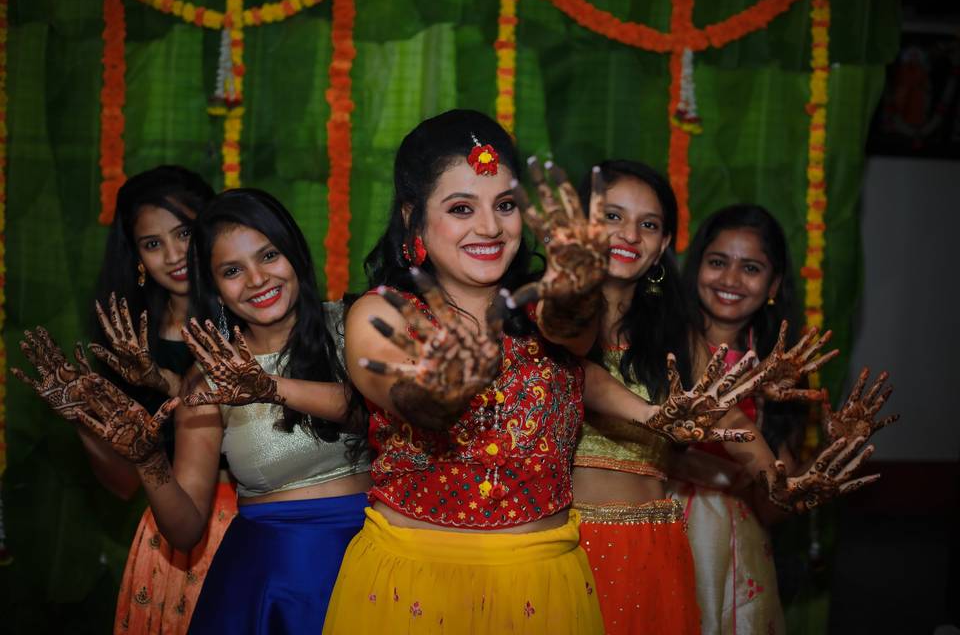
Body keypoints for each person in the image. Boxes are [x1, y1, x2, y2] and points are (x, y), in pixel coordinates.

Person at [321, 109, 765, 635]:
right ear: (413, 217)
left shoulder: (539, 308)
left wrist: (580, 296)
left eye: (505, 205)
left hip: (544, 583)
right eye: (461, 207)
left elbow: (572, 345)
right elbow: (402, 393)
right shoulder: (382, 313)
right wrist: (442, 392)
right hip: (417, 584)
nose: (490, 227)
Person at [73, 188, 372, 634]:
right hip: (271, 575)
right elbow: (186, 530)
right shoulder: (208, 378)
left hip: (371, 558)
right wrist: (148, 460)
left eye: (269, 256)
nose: (256, 280)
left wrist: (269, 387)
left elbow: (374, 416)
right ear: (214, 288)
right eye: (232, 271)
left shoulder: (353, 325)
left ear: (294, 252)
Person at [12, 166, 235, 634]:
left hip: (252, 520)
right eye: (152, 244)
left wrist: (168, 382)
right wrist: (82, 419)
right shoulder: (130, 338)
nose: (173, 255)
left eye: (184, 233)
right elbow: (125, 484)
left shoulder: (251, 305)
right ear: (136, 256)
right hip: (172, 534)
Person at [670, 203, 897, 634]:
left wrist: (837, 452)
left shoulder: (781, 374)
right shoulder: (659, 349)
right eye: (717, 262)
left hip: (737, 551)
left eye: (751, 268)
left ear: (773, 284)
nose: (731, 280)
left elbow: (774, 506)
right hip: (653, 528)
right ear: (696, 266)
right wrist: (715, 471)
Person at [571, 160, 700, 634]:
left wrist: (775, 476)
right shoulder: (545, 320)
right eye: (612, 217)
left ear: (663, 244)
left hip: (652, 544)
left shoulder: (676, 338)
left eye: (648, 225)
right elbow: (574, 372)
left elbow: (731, 416)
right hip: (565, 543)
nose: (629, 235)